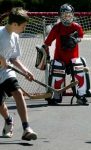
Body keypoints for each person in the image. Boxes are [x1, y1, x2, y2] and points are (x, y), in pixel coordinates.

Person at [38, 3, 91, 106]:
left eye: (68, 15)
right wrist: (44, 51)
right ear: (60, 16)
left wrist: (75, 40)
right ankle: (56, 95)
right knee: (57, 68)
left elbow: (81, 36)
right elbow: (47, 42)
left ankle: (81, 95)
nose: (66, 17)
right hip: (60, 58)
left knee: (79, 67)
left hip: (73, 57)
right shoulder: (57, 28)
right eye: (64, 15)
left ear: (72, 15)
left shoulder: (77, 26)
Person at [0, 7, 37, 141]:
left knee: (18, 92)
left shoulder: (15, 36)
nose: (24, 29)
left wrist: (25, 71)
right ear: (15, 24)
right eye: (23, 26)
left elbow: (14, 58)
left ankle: (26, 128)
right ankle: (8, 120)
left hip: (6, 72)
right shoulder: (0, 33)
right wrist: (0, 58)